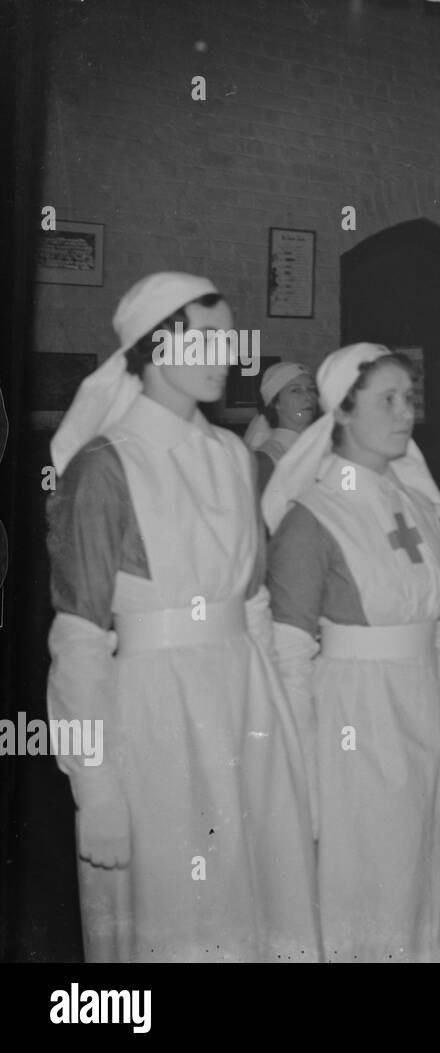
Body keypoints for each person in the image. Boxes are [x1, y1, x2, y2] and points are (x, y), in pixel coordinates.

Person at [46, 271, 319, 962]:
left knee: (257, 895)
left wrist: (283, 730)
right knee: (180, 911)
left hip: (243, 701)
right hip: (156, 714)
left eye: (229, 337)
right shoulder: (106, 467)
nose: (225, 353)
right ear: (153, 346)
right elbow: (77, 637)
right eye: (207, 338)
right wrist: (96, 787)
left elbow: (253, 603)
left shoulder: (232, 455)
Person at [263, 343, 440, 962]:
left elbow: (436, 621)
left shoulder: (416, 506)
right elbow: (288, 660)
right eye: (388, 399)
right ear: (344, 413)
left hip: (427, 706)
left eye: (409, 397)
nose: (406, 412)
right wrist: (304, 786)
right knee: (377, 878)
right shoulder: (311, 520)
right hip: (358, 720)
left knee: (429, 872)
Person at [243, 362, 319, 496]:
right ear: (275, 402)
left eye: (311, 389)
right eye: (296, 390)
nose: (308, 397)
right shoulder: (266, 460)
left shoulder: (323, 448)